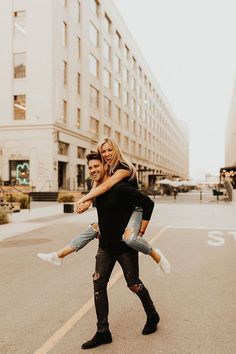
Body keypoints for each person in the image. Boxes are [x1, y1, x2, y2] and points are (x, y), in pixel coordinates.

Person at [37, 137, 170, 274]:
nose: (106, 154)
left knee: (130, 240)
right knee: (93, 229)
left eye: (109, 150)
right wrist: (87, 202)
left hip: (135, 209)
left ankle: (157, 256)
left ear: (116, 149)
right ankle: (58, 256)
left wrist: (141, 230)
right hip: (121, 211)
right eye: (103, 151)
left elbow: (106, 186)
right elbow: (97, 183)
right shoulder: (107, 166)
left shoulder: (124, 167)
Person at [81, 153, 159, 349]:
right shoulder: (98, 190)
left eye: (96, 166)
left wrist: (141, 229)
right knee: (99, 285)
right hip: (105, 247)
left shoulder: (121, 187)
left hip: (124, 248)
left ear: (105, 167)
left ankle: (152, 315)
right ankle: (102, 332)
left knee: (133, 284)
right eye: (90, 167)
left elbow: (148, 203)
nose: (93, 170)